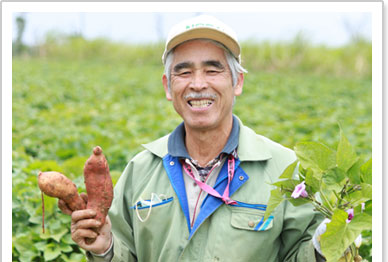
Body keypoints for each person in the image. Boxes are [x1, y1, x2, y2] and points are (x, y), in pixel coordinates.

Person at [60, 15, 326, 261]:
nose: (198, 84)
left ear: (237, 82)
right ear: (168, 86)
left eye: (212, 70)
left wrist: (325, 247)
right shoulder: (140, 171)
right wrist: (106, 248)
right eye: (184, 72)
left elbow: (299, 253)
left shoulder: (286, 170)